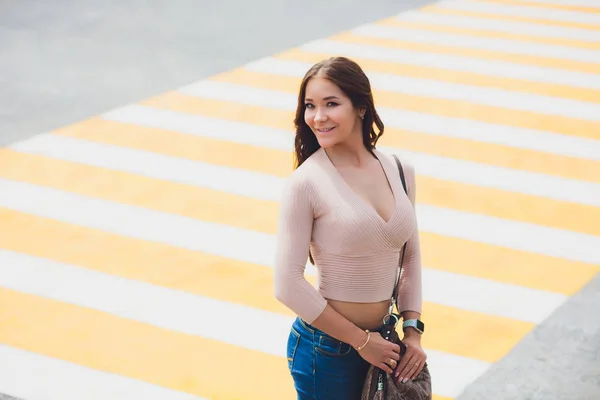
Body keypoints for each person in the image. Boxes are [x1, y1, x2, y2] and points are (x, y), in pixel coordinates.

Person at [273, 56, 427, 400]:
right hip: (327, 351)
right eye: (310, 106)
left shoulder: (400, 170)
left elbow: (410, 258)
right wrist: (360, 340)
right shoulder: (306, 183)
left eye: (331, 103)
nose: (318, 116)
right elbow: (287, 284)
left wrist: (412, 330)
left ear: (361, 107)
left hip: (385, 345)